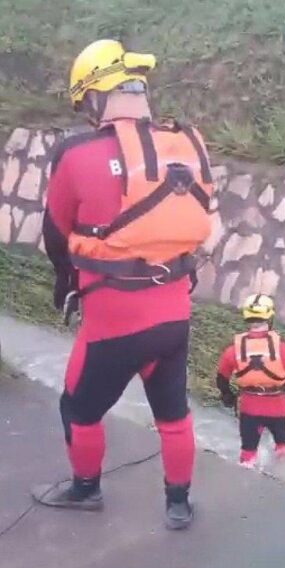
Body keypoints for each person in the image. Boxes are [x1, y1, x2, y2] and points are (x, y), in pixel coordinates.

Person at [35, 40, 215, 530]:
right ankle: (178, 506)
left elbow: (57, 233)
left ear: (95, 97)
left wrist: (64, 281)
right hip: (174, 316)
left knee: (79, 408)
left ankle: (86, 490)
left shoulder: (77, 154)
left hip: (113, 324)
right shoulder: (183, 146)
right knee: (173, 415)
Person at [216, 294, 285, 468]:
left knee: (248, 453)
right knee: (282, 447)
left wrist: (227, 396)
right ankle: (282, 478)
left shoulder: (233, 350)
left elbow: (221, 379)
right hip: (278, 408)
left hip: (249, 408)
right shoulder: (283, 349)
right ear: (270, 317)